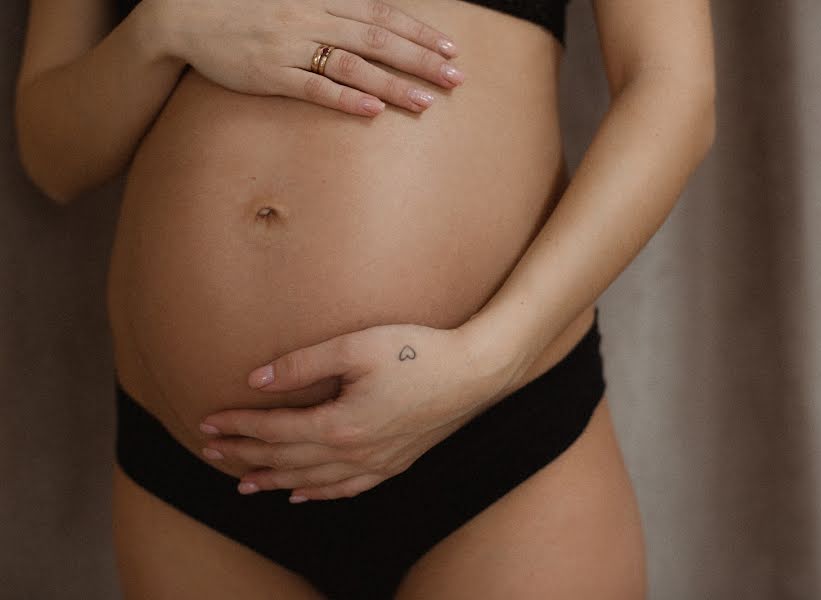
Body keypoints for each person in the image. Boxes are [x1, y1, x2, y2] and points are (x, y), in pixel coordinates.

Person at [14, 0, 715, 598]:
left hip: (496, 438)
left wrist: (487, 360)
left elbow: (674, 87)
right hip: (204, 474)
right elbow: (53, 156)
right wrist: (161, 29)